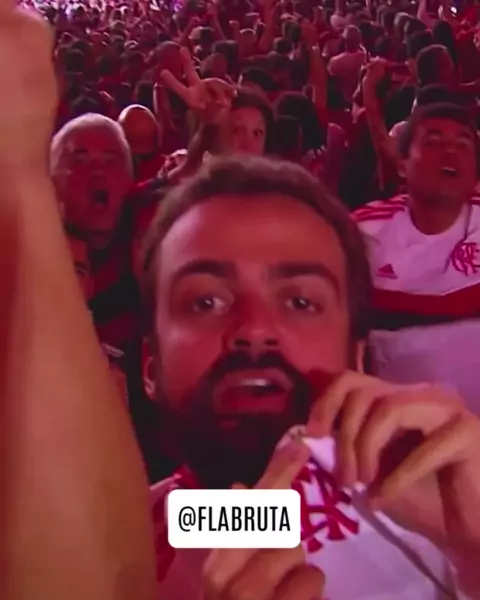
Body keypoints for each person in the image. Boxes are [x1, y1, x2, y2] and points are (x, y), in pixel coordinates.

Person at [142, 155, 480, 599]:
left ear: (357, 358)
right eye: (205, 302)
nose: (255, 329)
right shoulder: (97, 552)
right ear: (150, 366)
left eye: (300, 302)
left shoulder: (449, 502)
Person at [354, 102, 480, 414]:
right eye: (433, 142)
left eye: (463, 143)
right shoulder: (362, 232)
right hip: (393, 428)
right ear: (402, 165)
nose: (450, 152)